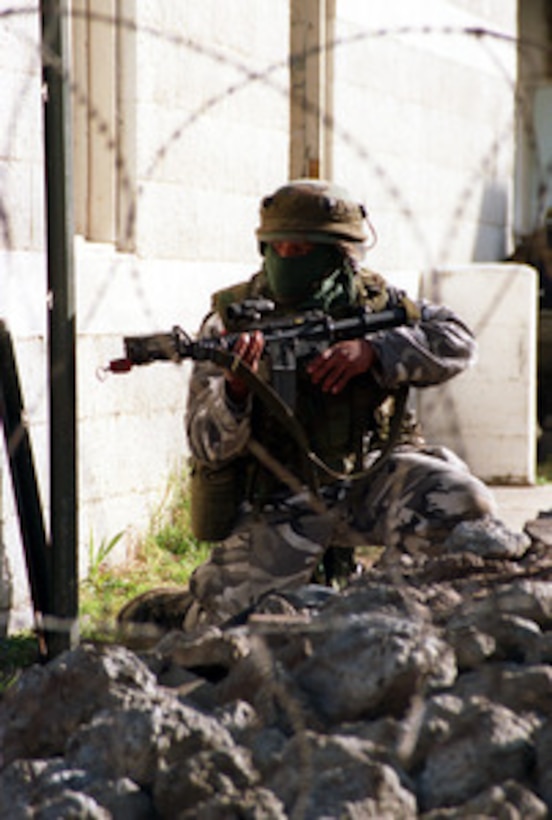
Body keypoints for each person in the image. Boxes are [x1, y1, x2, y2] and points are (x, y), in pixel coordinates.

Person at [118, 179, 497, 635]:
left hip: (368, 477)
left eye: (302, 252)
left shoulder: (378, 304)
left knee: (464, 501)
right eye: (278, 249)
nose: (286, 261)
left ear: (342, 257)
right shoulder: (231, 319)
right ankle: (181, 606)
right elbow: (206, 445)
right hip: (279, 496)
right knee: (219, 632)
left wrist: (376, 353)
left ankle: (382, 605)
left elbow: (458, 341)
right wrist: (236, 390)